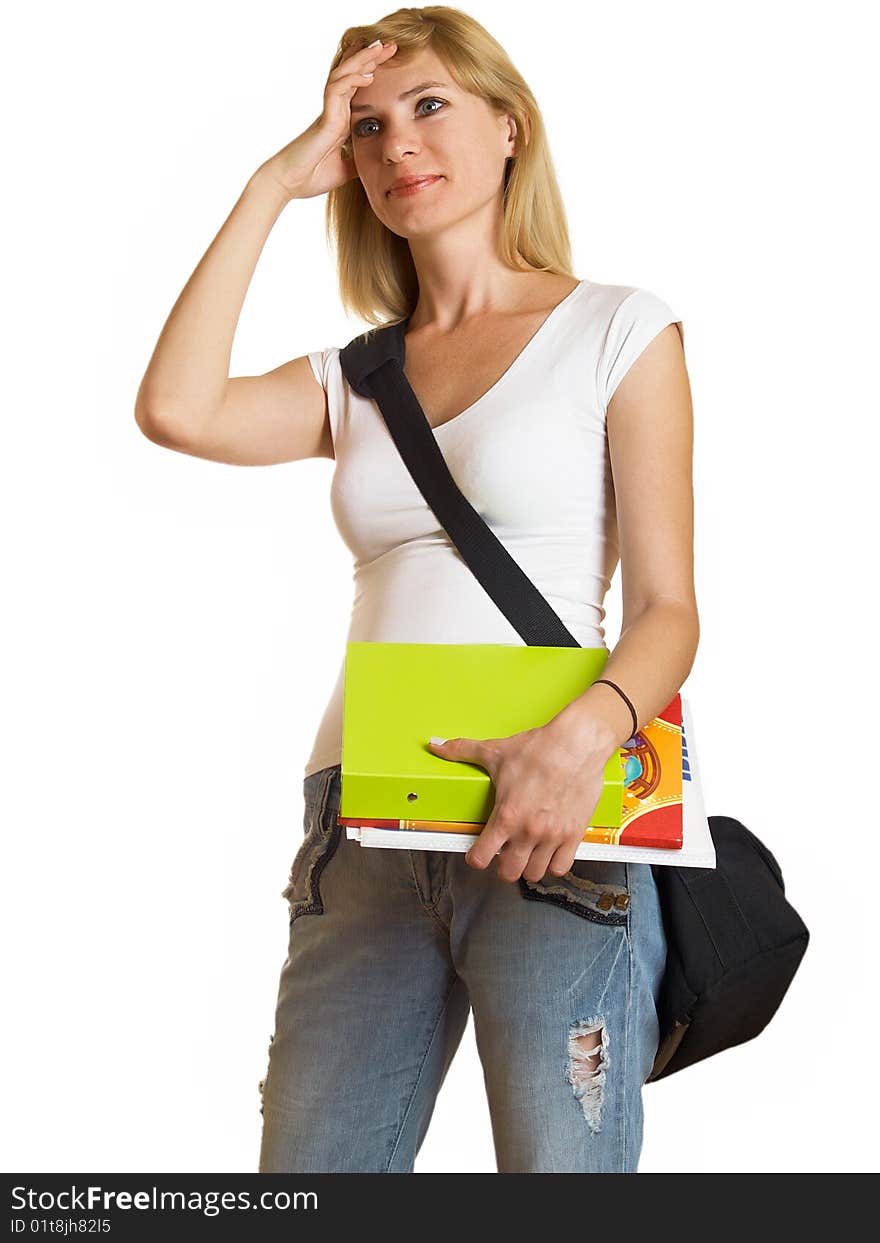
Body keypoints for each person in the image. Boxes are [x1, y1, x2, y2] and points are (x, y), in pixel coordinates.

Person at [134, 6, 698, 1174]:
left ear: (509, 127)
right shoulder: (355, 378)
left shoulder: (615, 329)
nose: (397, 147)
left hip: (547, 813)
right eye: (367, 125)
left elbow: (667, 612)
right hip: (362, 816)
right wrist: (270, 182)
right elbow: (176, 410)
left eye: (431, 105)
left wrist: (578, 739)